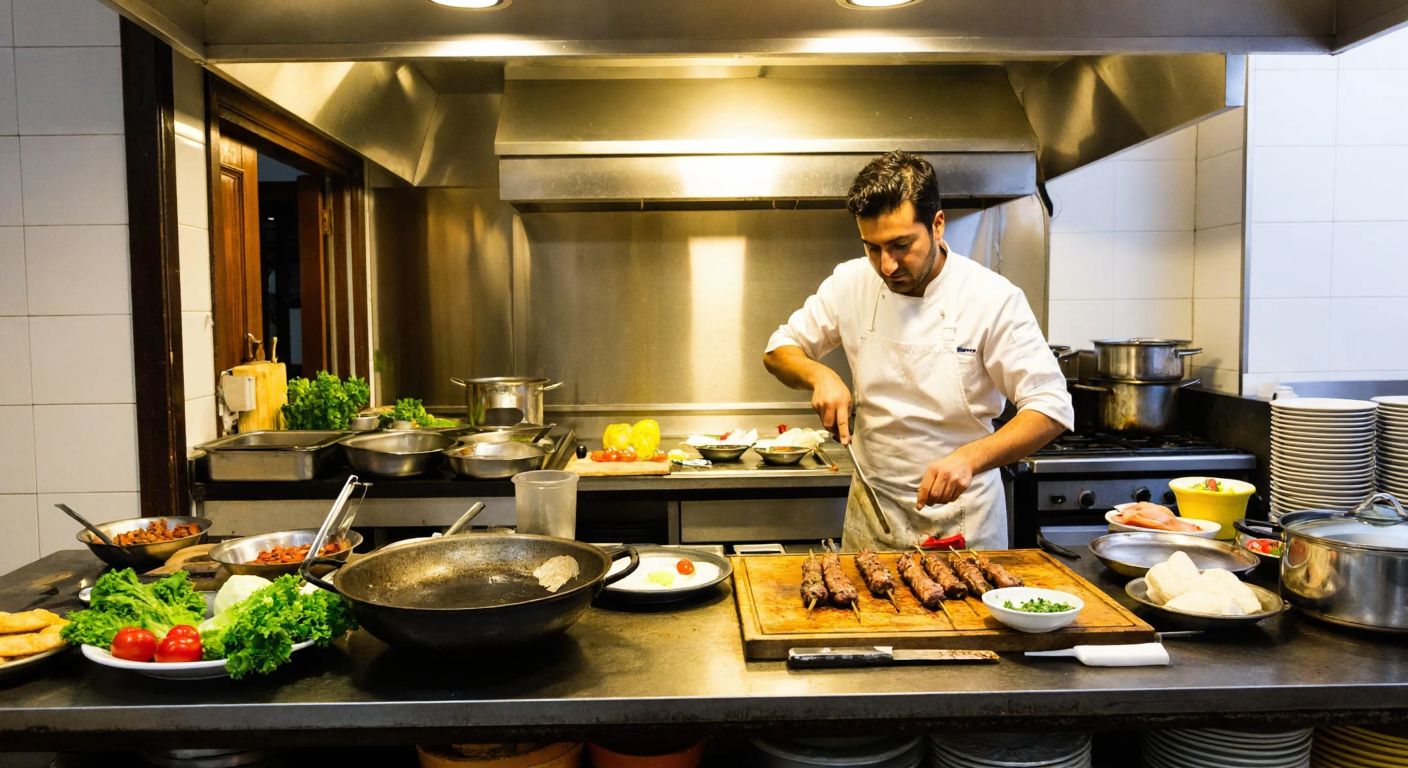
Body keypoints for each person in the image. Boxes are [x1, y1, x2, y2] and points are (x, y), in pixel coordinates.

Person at [762, 151, 1074, 550]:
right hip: (874, 514)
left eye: (900, 245)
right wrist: (820, 374)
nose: (886, 266)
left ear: (937, 224)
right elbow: (779, 349)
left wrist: (970, 458)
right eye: (872, 248)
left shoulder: (991, 298)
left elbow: (1051, 408)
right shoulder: (851, 282)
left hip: (965, 521)